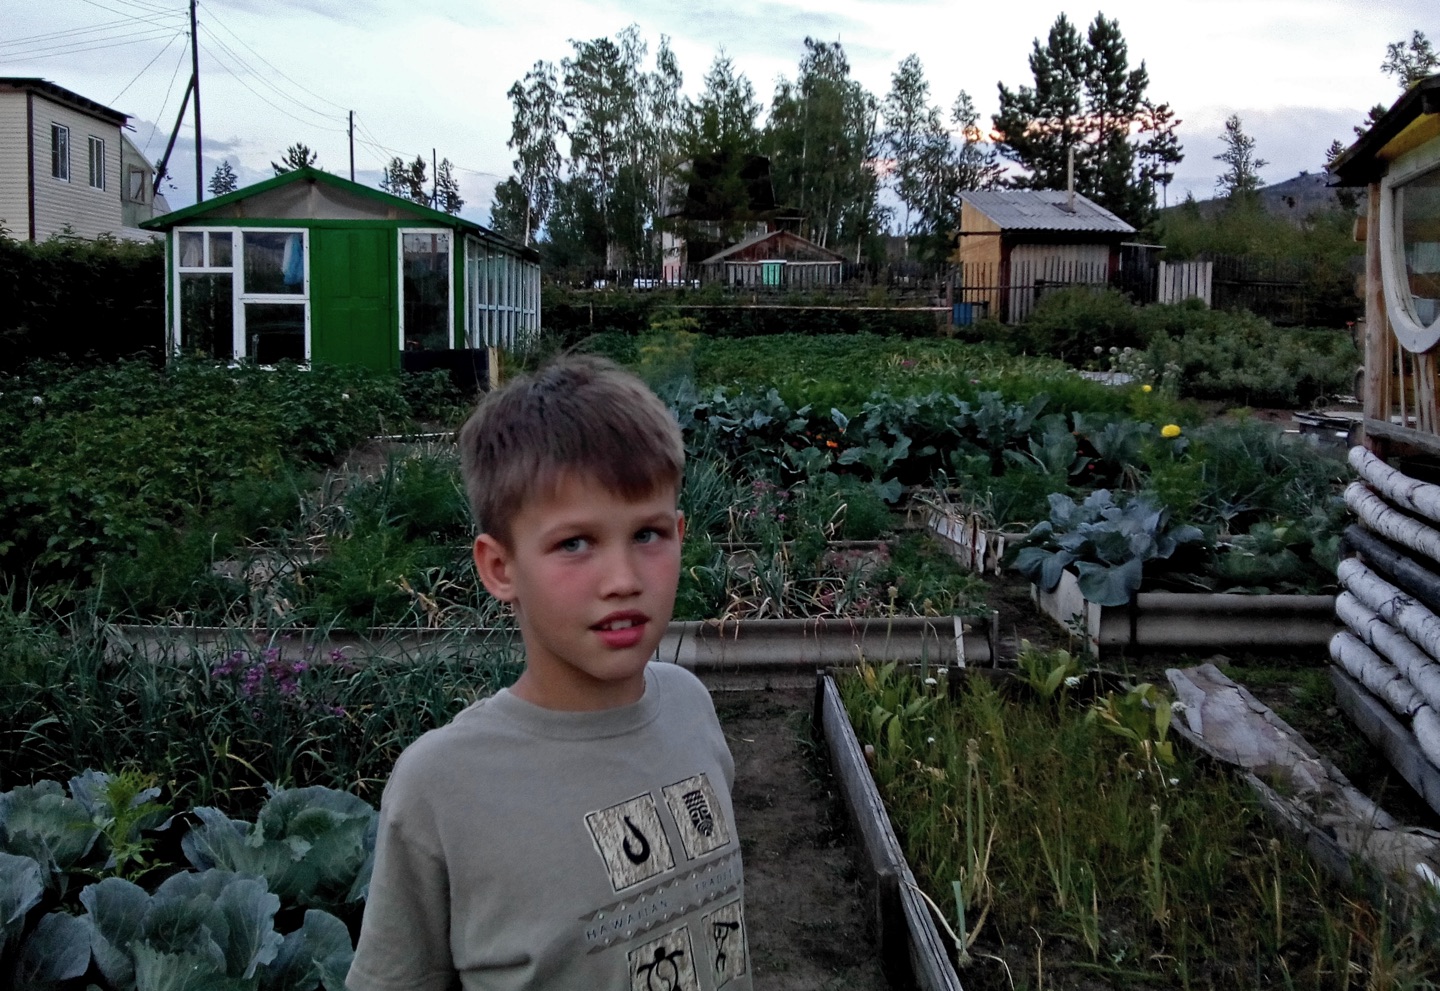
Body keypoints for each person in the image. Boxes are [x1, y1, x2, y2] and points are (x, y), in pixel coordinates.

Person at [348, 355, 750, 991]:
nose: (623, 581)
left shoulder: (689, 707)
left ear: (680, 533)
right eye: (574, 544)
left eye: (648, 534)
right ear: (501, 567)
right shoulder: (442, 788)